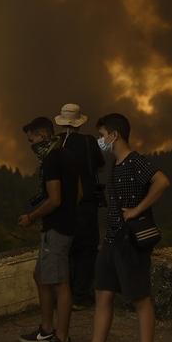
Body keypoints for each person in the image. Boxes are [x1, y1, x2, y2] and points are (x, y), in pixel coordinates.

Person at [84, 113, 170, 342]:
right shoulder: (115, 164)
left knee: (140, 299)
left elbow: (162, 181)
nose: (101, 141)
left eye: (102, 136)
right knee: (103, 294)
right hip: (111, 241)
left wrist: (137, 210)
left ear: (114, 135)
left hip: (130, 242)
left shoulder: (134, 161)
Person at [17, 116, 80, 342]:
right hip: (63, 225)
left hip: (57, 229)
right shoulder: (66, 155)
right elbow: (79, 191)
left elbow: (55, 199)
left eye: (32, 138)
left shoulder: (53, 159)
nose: (30, 143)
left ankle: (62, 339)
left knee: (59, 283)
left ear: (43, 134)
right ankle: (46, 329)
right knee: (41, 275)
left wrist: (31, 217)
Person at [54, 103, 104, 308]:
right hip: (85, 204)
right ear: (79, 122)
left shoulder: (56, 144)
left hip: (62, 204)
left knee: (65, 250)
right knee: (86, 248)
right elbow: (98, 164)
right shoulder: (88, 142)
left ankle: (63, 295)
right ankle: (80, 296)